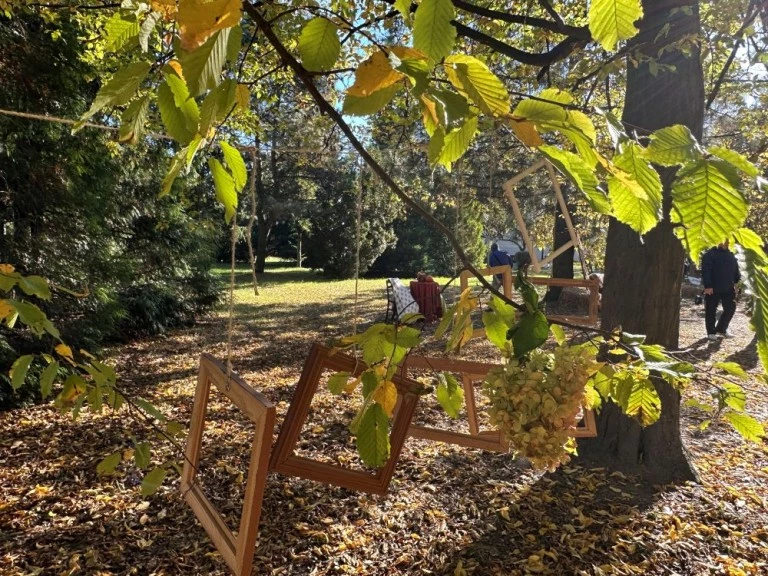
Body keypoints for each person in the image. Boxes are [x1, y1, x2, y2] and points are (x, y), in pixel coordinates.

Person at [701, 239, 740, 341]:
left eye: (727, 241)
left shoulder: (731, 255)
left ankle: (722, 328)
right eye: (723, 240)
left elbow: (735, 270)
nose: (726, 242)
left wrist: (737, 282)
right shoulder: (710, 254)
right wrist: (708, 286)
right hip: (713, 287)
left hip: (728, 287)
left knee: (731, 308)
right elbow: (706, 270)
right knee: (711, 310)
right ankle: (711, 332)